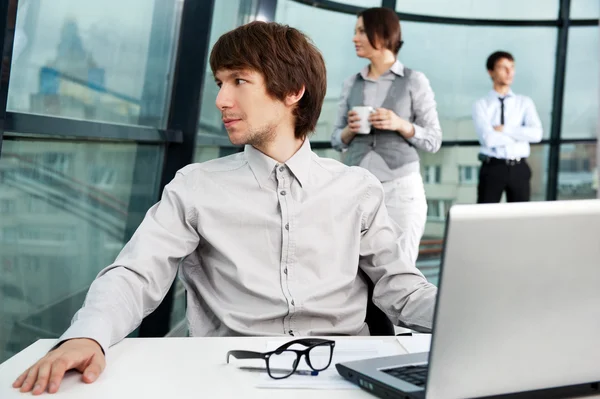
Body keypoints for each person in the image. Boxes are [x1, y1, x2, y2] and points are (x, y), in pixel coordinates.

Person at [13, 21, 437, 395]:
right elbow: (135, 274)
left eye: (238, 81)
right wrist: (87, 337)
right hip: (228, 376)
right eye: (219, 83)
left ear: (293, 91)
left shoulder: (356, 189)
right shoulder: (196, 187)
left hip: (343, 375)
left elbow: (402, 289)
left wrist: (477, 317)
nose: (221, 100)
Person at [331, 7, 442, 269]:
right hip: (356, 190)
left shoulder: (415, 81)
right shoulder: (351, 83)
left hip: (401, 191)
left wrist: (400, 124)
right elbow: (336, 139)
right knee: (353, 273)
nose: (354, 38)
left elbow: (434, 139)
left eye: (360, 31)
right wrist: (349, 130)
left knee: (399, 273)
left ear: (381, 34)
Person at [472, 51, 543, 203]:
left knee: (521, 219)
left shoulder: (524, 102)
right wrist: (521, 135)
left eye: (512, 67)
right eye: (503, 67)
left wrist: (505, 129)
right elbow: (488, 139)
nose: (509, 72)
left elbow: (536, 135)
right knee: (485, 217)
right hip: (492, 168)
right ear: (491, 72)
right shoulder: (481, 104)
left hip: (519, 167)